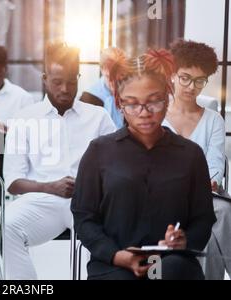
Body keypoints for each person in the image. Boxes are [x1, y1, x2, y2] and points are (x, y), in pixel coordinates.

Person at [71, 49, 216, 280]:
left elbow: (203, 218)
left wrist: (183, 239)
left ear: (167, 98)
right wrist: (117, 256)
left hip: (172, 265)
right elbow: (84, 219)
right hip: (114, 265)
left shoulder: (190, 155)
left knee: (171, 271)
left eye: (153, 102)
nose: (144, 113)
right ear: (119, 103)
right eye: (132, 104)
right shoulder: (99, 152)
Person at [3, 41, 116, 279]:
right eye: (57, 82)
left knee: (116, 232)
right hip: (44, 200)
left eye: (72, 81)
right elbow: (13, 180)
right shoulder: (24, 118)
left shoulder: (98, 117)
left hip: (91, 203)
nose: (65, 89)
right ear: (44, 79)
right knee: (6, 226)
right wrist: (50, 187)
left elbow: (116, 166)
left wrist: (91, 187)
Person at [163, 39, 231, 280]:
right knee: (217, 216)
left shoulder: (213, 120)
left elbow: (214, 172)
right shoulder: (156, 115)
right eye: (185, 78)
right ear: (172, 75)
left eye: (199, 80)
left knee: (219, 213)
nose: (192, 87)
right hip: (161, 199)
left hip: (203, 199)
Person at [80, 47, 126, 128]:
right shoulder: (89, 98)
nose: (114, 83)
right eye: (109, 77)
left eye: (118, 78)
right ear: (102, 69)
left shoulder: (131, 93)